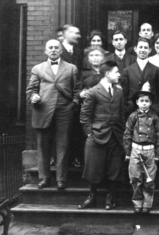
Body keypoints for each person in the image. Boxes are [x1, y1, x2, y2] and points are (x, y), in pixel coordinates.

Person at [26, 39, 81, 190]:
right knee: (43, 145)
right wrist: (33, 97)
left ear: (61, 50)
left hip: (65, 112)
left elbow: (77, 91)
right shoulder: (38, 69)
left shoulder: (71, 68)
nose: (53, 50)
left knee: (63, 145)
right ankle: (44, 178)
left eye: (56, 47)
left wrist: (73, 105)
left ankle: (61, 179)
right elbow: (31, 90)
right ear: (45, 51)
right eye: (50, 48)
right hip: (43, 111)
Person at [78, 60, 126, 210]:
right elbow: (84, 115)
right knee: (93, 167)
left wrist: (123, 133)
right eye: (116, 72)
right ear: (107, 74)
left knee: (114, 167)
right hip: (97, 135)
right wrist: (89, 134)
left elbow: (122, 114)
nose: (119, 75)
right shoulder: (93, 92)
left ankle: (110, 197)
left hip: (116, 136)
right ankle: (92, 197)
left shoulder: (119, 92)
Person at [123, 89, 159, 214]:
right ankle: (137, 202)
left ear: (150, 103)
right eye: (142, 101)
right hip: (135, 150)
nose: (144, 103)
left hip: (149, 151)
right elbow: (127, 134)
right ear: (137, 102)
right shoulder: (133, 116)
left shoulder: (154, 117)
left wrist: (158, 154)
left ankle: (147, 203)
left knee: (149, 179)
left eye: (147, 101)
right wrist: (128, 152)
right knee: (135, 177)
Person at [57, 24, 84, 167]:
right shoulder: (57, 51)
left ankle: (75, 158)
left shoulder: (79, 53)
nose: (78, 36)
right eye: (75, 33)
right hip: (63, 98)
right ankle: (61, 161)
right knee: (62, 133)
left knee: (76, 130)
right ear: (65, 34)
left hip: (77, 98)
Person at [121, 37, 159, 117]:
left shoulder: (157, 70)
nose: (143, 50)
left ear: (150, 50)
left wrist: (156, 109)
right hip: (132, 113)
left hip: (152, 113)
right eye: (140, 47)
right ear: (135, 49)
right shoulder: (127, 71)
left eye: (145, 47)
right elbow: (124, 95)